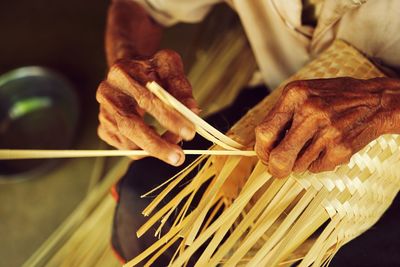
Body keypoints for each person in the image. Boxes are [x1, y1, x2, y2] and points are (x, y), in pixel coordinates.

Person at [95, 0, 400, 265]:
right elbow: (141, 8)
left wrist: (384, 105)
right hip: (276, 99)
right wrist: (129, 64)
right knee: (149, 213)